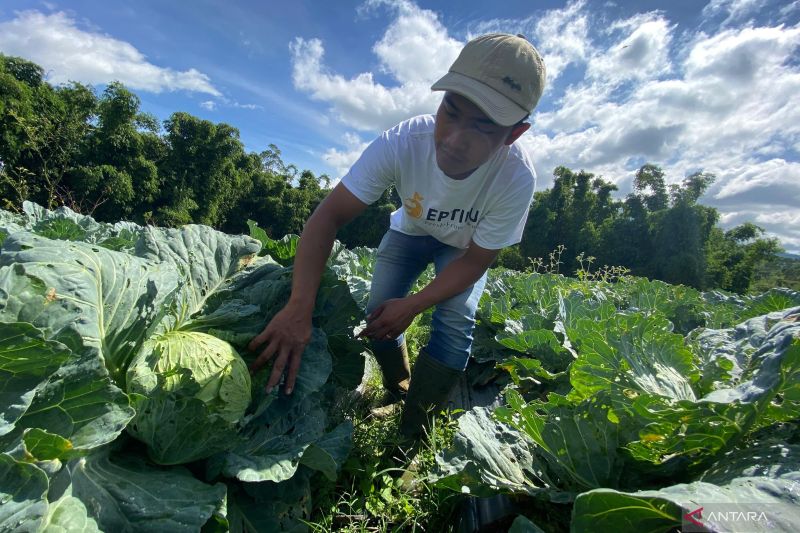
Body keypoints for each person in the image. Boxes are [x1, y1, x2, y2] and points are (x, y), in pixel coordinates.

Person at [248, 33, 546, 439]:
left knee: (456, 321)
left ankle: (413, 434)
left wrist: (415, 304)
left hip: (462, 250)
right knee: (379, 311)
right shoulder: (404, 141)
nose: (455, 140)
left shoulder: (516, 177)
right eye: (451, 111)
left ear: (513, 134)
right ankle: (398, 387)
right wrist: (299, 307)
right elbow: (327, 217)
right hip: (411, 231)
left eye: (484, 127)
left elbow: (476, 261)